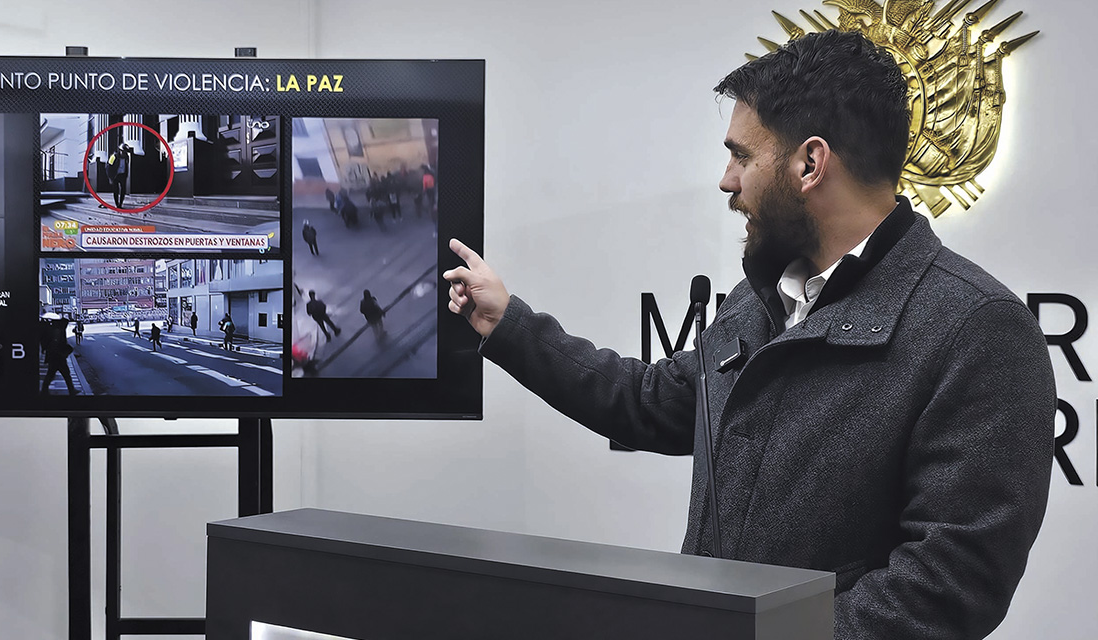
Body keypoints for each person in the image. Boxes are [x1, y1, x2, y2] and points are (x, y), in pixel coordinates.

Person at [442, 30, 1054, 640]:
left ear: (809, 164)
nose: (726, 181)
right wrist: (509, 325)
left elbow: (948, 587)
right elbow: (651, 402)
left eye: (741, 156)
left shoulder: (978, 329)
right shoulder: (761, 298)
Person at [39, 316, 78, 396]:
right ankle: (71, 390)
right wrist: (63, 352)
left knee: (52, 374)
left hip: (55, 356)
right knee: (65, 374)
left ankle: (44, 389)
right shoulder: (58, 331)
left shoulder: (56, 329)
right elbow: (56, 344)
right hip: (58, 357)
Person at [106, 143, 132, 209]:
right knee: (116, 190)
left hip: (122, 175)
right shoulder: (113, 156)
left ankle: (120, 204)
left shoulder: (127, 157)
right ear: (120, 150)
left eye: (125, 152)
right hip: (115, 175)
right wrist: (110, 177)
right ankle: (117, 204)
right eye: (123, 151)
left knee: (123, 190)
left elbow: (126, 166)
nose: (124, 153)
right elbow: (108, 167)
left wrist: (126, 175)